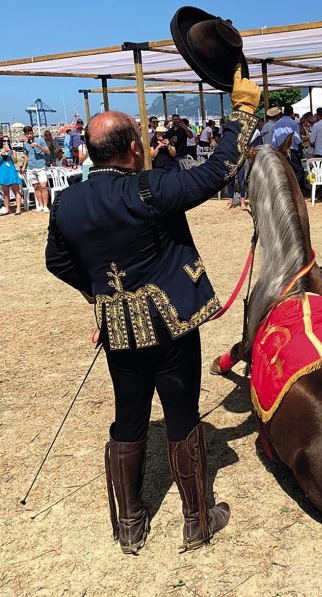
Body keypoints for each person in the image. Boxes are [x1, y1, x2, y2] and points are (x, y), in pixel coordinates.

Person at [45, 65, 260, 555]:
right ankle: (197, 522)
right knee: (182, 417)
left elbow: (56, 261)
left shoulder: (66, 203)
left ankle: (130, 526)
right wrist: (243, 111)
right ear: (132, 149)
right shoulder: (149, 188)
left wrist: (99, 294)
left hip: (118, 331)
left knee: (128, 420)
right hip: (172, 327)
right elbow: (218, 171)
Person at [272, 105, 305, 189]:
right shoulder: (294, 123)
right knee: (298, 170)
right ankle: (295, 188)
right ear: (292, 113)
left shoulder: (276, 124)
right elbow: (297, 138)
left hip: (280, 151)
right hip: (291, 150)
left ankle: (286, 188)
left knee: (284, 171)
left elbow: (274, 140)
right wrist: (300, 141)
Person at [21, 125, 50, 212]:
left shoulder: (40, 140)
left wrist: (38, 146)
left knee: (43, 186)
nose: (29, 135)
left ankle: (45, 205)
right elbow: (26, 155)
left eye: (30, 133)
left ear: (33, 133)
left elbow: (48, 152)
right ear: (25, 135)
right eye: (27, 134)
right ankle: (40, 204)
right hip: (31, 167)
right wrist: (23, 166)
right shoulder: (25, 144)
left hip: (41, 166)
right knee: (36, 187)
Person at [0, 136, 23, 216]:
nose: (6, 142)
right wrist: (2, 152)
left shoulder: (12, 151)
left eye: (7, 140)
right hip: (3, 172)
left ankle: (18, 208)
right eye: (4, 140)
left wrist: (10, 153)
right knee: (5, 192)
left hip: (11, 171)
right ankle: (7, 209)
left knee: (16, 190)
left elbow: (15, 161)